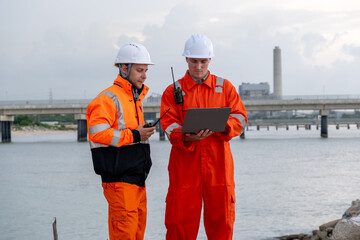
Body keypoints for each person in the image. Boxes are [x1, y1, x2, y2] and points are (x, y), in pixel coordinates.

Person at [160, 34, 248, 240]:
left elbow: (241, 119)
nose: (198, 66)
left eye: (203, 61)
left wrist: (223, 126)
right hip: (185, 167)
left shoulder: (225, 88)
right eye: (194, 61)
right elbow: (168, 125)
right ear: (186, 60)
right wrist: (186, 136)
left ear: (210, 60)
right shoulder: (173, 92)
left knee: (222, 225)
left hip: (219, 167)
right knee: (179, 225)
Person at [86, 43, 156, 240]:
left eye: (146, 71)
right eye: (140, 70)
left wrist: (140, 134)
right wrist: (135, 135)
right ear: (124, 68)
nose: (144, 75)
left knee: (136, 233)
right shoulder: (107, 99)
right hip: (120, 182)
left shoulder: (134, 99)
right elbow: (98, 135)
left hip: (137, 180)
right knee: (125, 234)